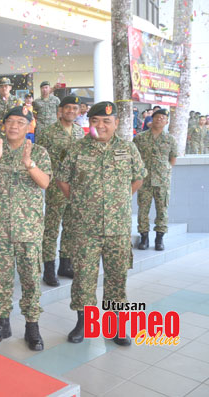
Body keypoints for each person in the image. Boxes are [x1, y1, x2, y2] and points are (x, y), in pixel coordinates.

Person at [56, 101, 146, 346]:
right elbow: (63, 182)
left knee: (117, 277)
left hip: (117, 228)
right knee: (83, 277)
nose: (101, 125)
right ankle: (83, 322)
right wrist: (81, 202)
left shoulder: (128, 149)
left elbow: (138, 178)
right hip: (84, 228)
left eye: (107, 121)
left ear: (116, 123)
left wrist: (120, 199)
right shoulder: (76, 150)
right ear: (90, 123)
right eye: (96, 121)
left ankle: (116, 324)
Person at [0, 105, 52, 351]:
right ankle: (2, 322)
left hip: (29, 228)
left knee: (31, 278)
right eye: (9, 121)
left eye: (20, 122)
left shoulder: (39, 152)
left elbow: (45, 184)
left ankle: (32, 325)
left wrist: (29, 163)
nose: (13, 126)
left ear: (29, 126)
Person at [36, 96, 85, 286]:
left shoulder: (81, 132)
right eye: (67, 108)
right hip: (55, 188)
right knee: (51, 229)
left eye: (75, 108)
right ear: (60, 110)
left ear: (79, 111)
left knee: (71, 228)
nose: (71, 111)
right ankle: (49, 269)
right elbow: (39, 159)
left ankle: (65, 265)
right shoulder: (48, 133)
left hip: (76, 188)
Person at [133, 109, 178, 251]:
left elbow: (172, 159)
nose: (160, 119)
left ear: (166, 122)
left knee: (162, 210)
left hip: (162, 181)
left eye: (163, 118)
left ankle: (159, 239)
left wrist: (163, 171)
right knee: (143, 210)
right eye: (157, 117)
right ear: (151, 121)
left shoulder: (170, 139)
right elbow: (134, 158)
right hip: (144, 180)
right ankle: (144, 237)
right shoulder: (140, 138)